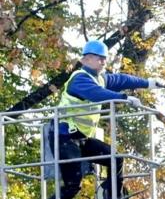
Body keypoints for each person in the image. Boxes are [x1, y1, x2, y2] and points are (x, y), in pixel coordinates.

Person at [48, 40, 158, 199]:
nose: (103, 61)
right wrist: (124, 98)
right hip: (64, 137)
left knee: (116, 159)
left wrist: (148, 83)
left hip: (81, 138)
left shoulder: (99, 79)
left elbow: (123, 80)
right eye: (99, 58)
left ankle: (111, 195)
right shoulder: (79, 79)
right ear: (86, 59)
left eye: (104, 58)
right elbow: (96, 94)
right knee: (72, 186)